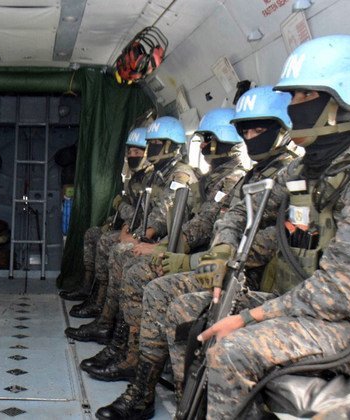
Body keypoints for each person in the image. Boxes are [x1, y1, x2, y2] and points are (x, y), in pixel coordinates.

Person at [168, 35, 350, 419]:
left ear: (343, 100)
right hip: (302, 310)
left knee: (232, 347)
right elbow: (240, 211)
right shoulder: (304, 167)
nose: (293, 108)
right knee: (185, 313)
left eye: (303, 97)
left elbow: (345, 294)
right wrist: (224, 252)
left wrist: (249, 317)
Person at [95, 86, 295, 419]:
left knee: (151, 283)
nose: (203, 147)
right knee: (136, 266)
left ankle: (150, 384)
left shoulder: (270, 176)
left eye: (260, 129)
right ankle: (139, 368)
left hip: (251, 276)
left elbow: (265, 241)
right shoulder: (252, 175)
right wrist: (169, 248)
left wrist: (184, 258)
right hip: (218, 265)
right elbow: (216, 221)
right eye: (248, 130)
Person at [67, 122, 197, 323]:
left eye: (155, 143)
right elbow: (142, 212)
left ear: (171, 145)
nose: (148, 149)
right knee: (102, 238)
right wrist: (129, 230)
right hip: (149, 235)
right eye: (149, 143)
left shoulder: (180, 175)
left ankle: (111, 320)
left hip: (169, 242)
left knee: (119, 250)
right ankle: (102, 305)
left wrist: (136, 238)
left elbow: (161, 215)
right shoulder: (155, 175)